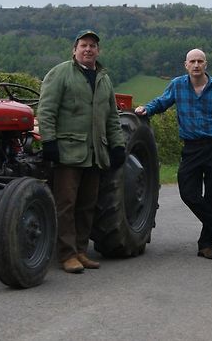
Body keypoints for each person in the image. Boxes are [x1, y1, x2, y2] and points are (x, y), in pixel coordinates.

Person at [135, 48, 212, 260]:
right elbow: (162, 102)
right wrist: (147, 109)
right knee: (188, 192)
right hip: (191, 147)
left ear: (206, 64)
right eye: (192, 61)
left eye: (200, 61)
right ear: (186, 65)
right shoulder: (178, 85)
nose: (196, 65)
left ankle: (206, 246)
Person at [38, 29, 126, 273]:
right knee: (65, 204)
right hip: (68, 152)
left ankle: (80, 251)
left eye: (92, 46)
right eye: (84, 45)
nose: (88, 49)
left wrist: (117, 145)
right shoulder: (60, 73)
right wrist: (49, 142)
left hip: (95, 153)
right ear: (74, 50)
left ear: (98, 51)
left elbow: (111, 119)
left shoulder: (103, 79)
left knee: (87, 205)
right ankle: (66, 254)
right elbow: (46, 110)